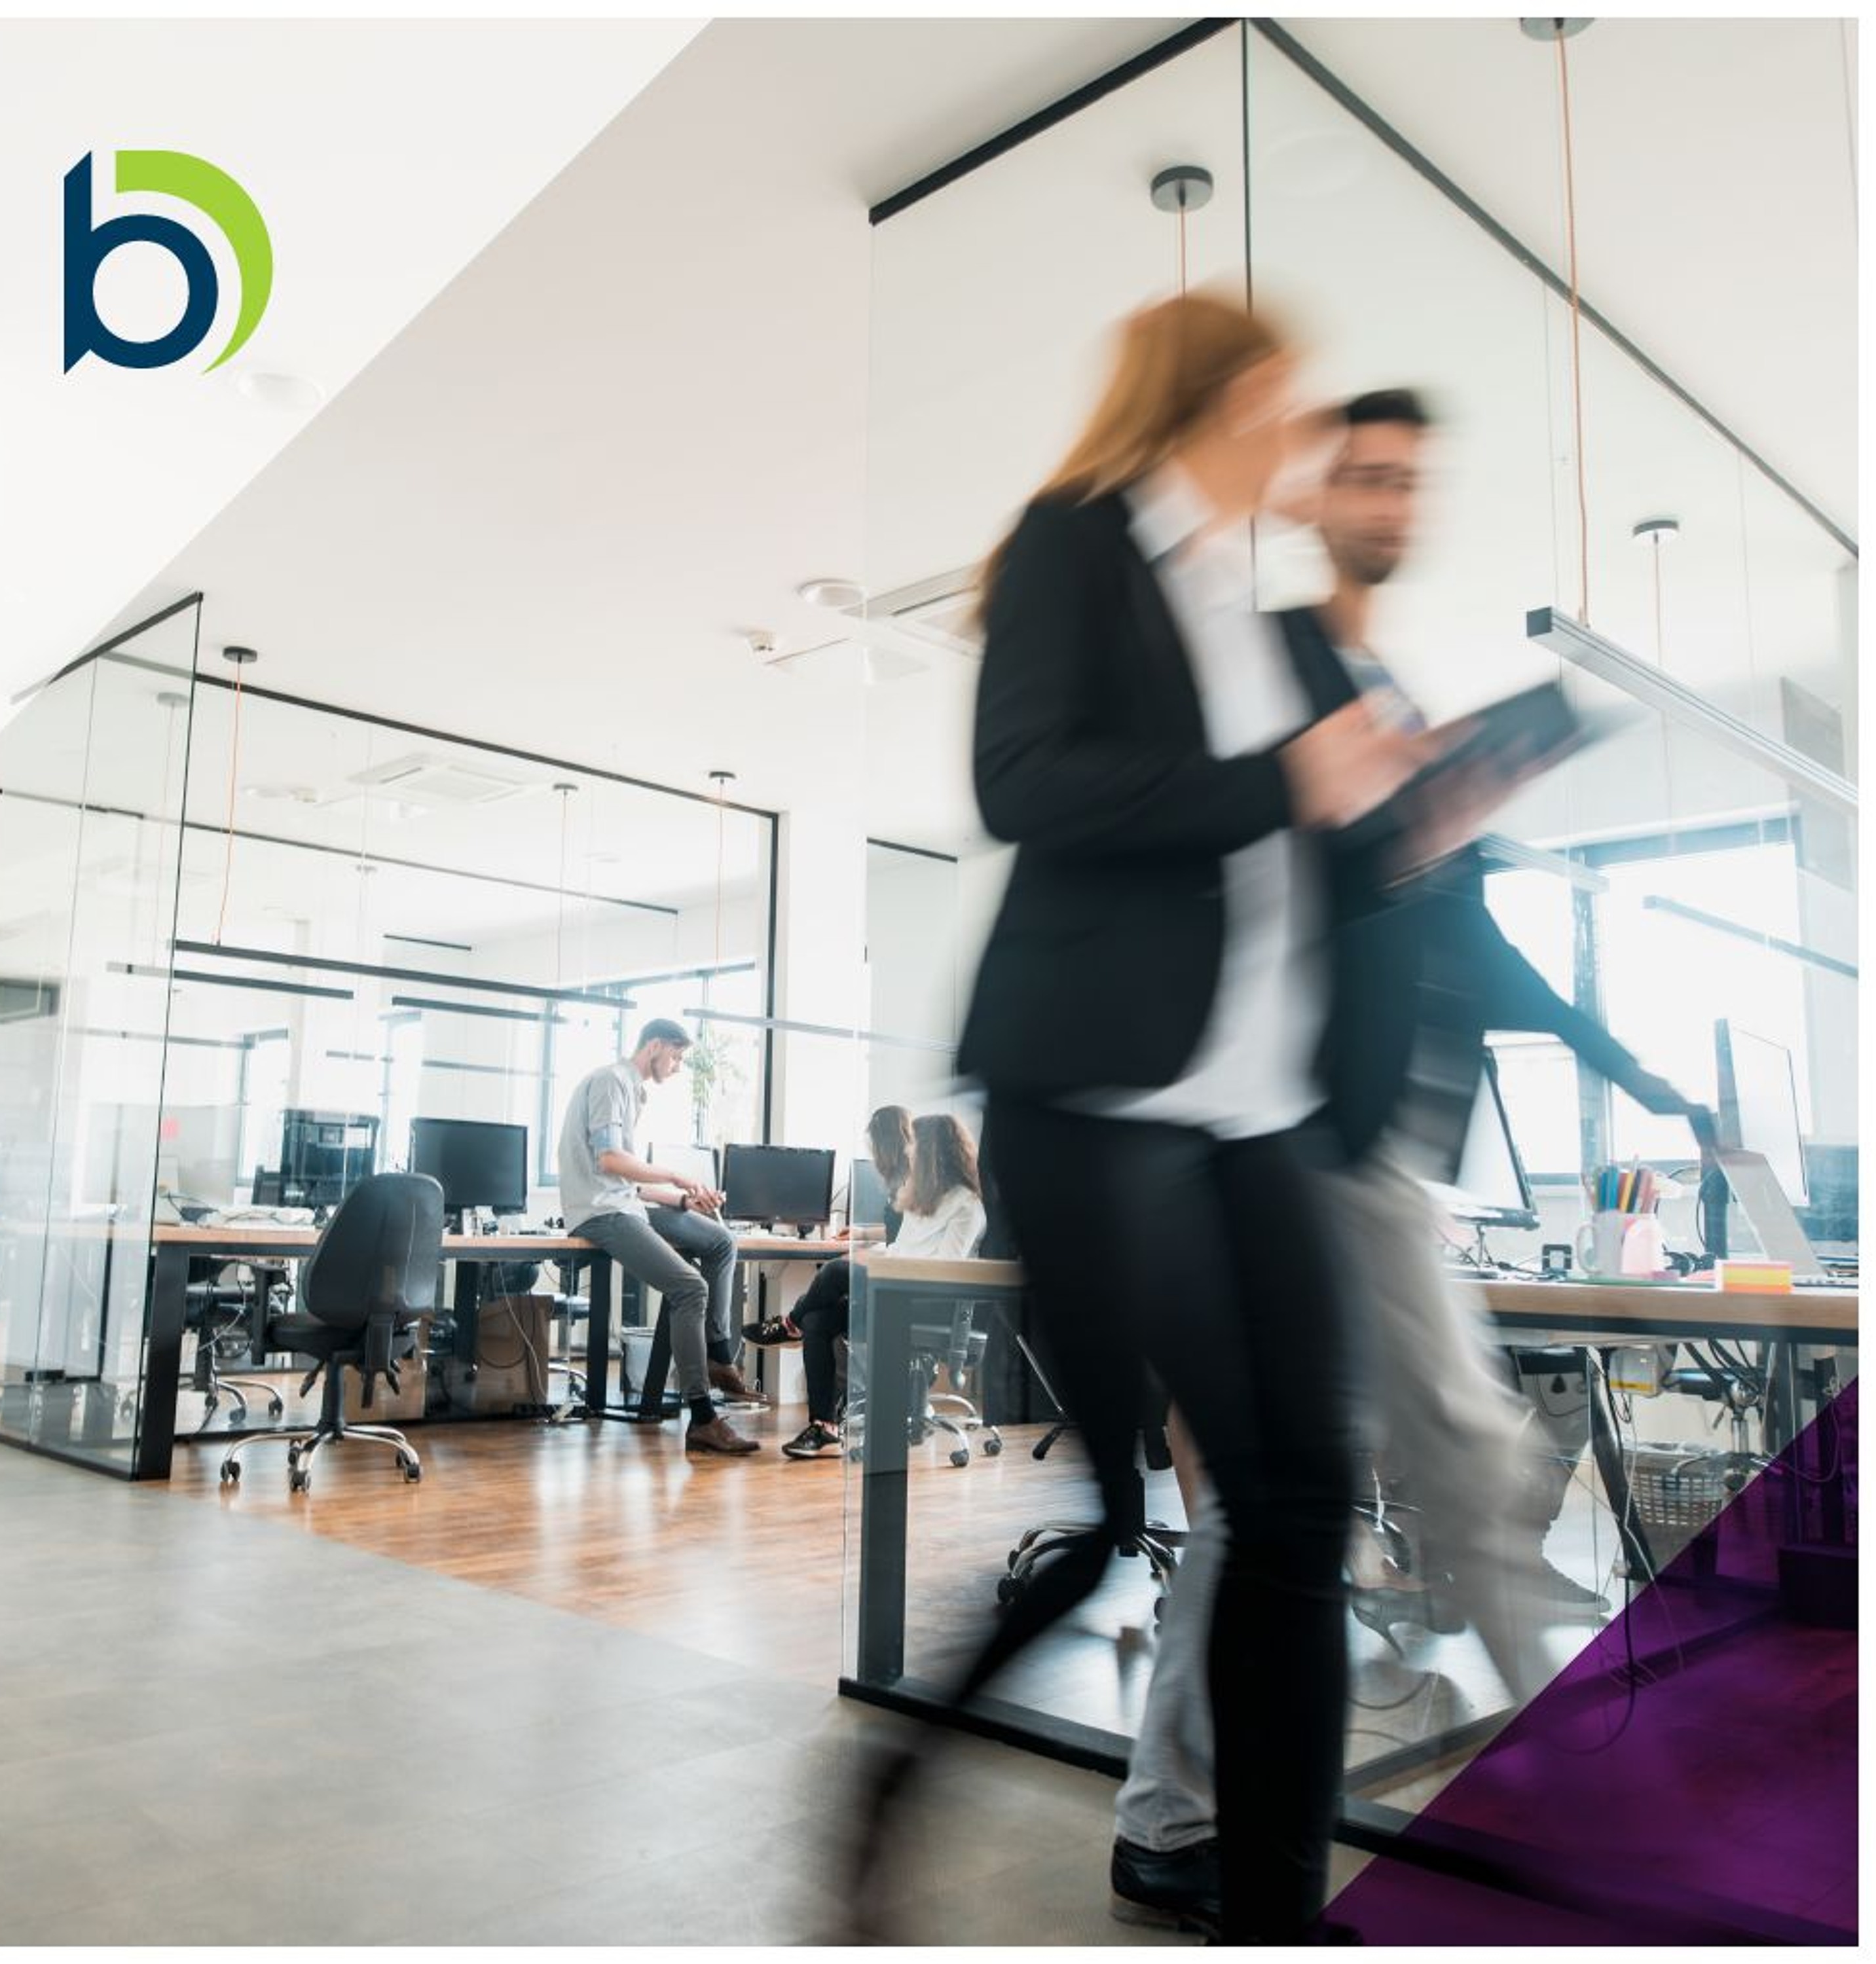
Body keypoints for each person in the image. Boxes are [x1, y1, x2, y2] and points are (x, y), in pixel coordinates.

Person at [845, 291, 1439, 1947]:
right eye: (1288, 402)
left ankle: (1274, 1911)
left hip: (1258, 1118)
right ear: (1225, 398)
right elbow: (1022, 782)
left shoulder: (1247, 612)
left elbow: (1283, 858)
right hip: (1102, 1099)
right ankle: (895, 1778)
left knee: (1300, 1505)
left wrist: (1403, 816)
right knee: (1125, 1514)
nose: (1305, 436)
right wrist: (1287, 780)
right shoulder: (1077, 543)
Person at [1107, 388, 1716, 1931]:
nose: (1388, 501)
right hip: (1306, 1135)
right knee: (1455, 1454)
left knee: (1300, 1492)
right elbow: (1259, 878)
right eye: (1364, 475)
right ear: (1315, 498)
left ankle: (1173, 1810)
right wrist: (1412, 815)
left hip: (1370, 1146)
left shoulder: (1382, 690)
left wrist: (1631, 1069)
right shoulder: (1285, 665)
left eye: (1407, 481)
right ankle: (1582, 1807)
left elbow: (1484, 948)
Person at [554, 1019, 763, 1455]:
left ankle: (718, 1355)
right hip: (599, 1213)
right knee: (690, 1288)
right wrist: (675, 1175)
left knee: (722, 1242)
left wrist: (684, 1200)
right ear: (654, 1047)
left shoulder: (632, 1091)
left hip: (624, 1203)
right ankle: (703, 1418)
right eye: (676, 1056)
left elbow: (626, 1182)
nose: (678, 1066)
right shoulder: (612, 1081)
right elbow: (610, 1161)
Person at [777, 1111, 985, 1461]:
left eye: (914, 1145)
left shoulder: (967, 1205)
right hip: (894, 1293)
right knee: (819, 1321)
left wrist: (874, 1264)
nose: (908, 1152)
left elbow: (944, 1270)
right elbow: (902, 1250)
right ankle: (825, 1428)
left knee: (835, 1271)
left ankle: (788, 1324)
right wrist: (873, 1255)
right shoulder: (922, 1199)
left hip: (928, 1303)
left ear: (933, 1152)